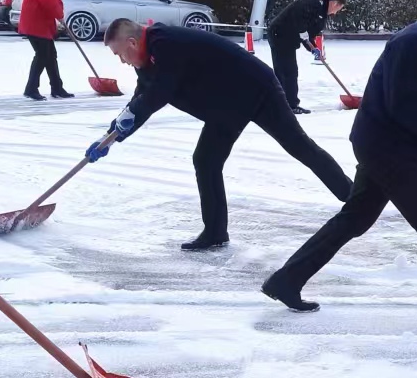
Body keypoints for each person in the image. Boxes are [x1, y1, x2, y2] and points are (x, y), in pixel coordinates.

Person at [261, 0, 417, 319]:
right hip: (382, 144)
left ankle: (286, 280)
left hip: (408, 149)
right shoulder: (413, 44)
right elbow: (401, 104)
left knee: (356, 217)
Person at [95, 17, 353, 251]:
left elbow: (159, 93)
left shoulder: (166, 44)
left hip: (257, 88)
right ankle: (215, 232)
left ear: (131, 42)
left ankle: (354, 198)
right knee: (206, 160)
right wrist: (111, 135)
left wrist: (127, 120)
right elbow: (141, 98)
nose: (121, 61)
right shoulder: (148, 57)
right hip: (227, 104)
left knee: (299, 146)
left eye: (120, 54)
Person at [267, 0, 346, 113]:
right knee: (287, 71)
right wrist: (302, 30)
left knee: (286, 71)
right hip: (280, 34)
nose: (335, 13)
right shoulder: (313, 2)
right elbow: (297, 16)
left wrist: (313, 49)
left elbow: (310, 35)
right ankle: (289, 105)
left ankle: (282, 104)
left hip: (288, 37)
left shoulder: (322, 14)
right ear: (334, 3)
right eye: (338, 9)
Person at [18, 0, 73, 101]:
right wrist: (59, 15)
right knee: (42, 56)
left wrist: (59, 15)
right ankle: (31, 89)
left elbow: (54, 0)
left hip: (42, 26)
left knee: (50, 56)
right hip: (35, 25)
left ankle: (57, 88)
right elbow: (49, 2)